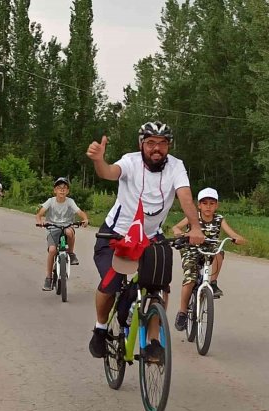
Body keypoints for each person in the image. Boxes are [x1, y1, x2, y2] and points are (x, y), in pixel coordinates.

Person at [86, 121, 205, 359]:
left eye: (162, 143)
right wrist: (99, 160)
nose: (156, 148)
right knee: (111, 282)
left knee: (158, 285)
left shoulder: (176, 166)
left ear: (168, 146)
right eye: (151, 143)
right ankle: (100, 330)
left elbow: (185, 196)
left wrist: (195, 227)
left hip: (149, 237)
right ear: (142, 144)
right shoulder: (130, 161)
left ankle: (152, 342)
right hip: (117, 235)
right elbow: (109, 173)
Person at [171, 187, 247, 331]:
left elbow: (231, 233)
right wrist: (178, 232)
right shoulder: (193, 217)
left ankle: (213, 282)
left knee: (220, 251)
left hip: (210, 250)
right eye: (204, 203)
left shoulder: (219, 219)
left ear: (216, 205)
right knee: (190, 279)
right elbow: (176, 227)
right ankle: (182, 312)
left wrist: (237, 238)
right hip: (191, 249)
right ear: (199, 205)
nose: (208, 206)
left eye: (212, 203)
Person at [35, 177, 89, 291]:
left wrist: (85, 219)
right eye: (59, 188)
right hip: (52, 228)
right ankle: (48, 278)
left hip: (67, 226)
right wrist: (40, 222)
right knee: (52, 250)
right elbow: (39, 214)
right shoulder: (50, 201)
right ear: (55, 190)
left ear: (68, 191)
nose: (62, 190)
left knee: (69, 232)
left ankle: (71, 253)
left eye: (64, 188)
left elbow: (79, 212)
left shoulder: (70, 201)